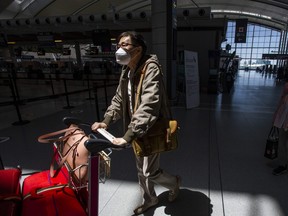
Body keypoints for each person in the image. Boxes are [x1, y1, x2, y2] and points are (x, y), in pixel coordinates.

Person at [91, 31, 181, 215]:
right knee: (141, 169)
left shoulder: (151, 68)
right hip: (136, 128)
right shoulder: (126, 70)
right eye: (118, 45)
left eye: (124, 45)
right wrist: (106, 121)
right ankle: (150, 199)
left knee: (150, 171)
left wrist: (128, 136)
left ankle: (174, 182)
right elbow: (118, 98)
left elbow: (149, 105)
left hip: (152, 127)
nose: (119, 49)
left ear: (138, 49)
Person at [272, 81, 288, 175]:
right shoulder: (286, 88)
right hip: (284, 121)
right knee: (282, 143)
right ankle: (283, 164)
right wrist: (275, 118)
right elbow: (281, 104)